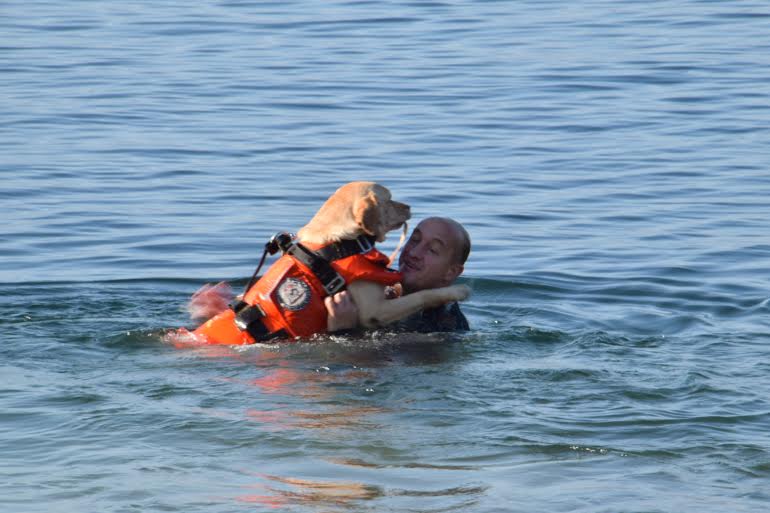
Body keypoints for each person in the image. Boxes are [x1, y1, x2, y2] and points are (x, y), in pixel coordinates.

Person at [326, 217, 470, 333]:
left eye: (432, 250)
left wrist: (343, 331)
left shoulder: (443, 328)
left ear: (451, 272)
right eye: (414, 240)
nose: (414, 253)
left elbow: (379, 363)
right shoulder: (381, 284)